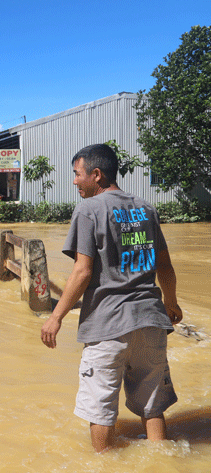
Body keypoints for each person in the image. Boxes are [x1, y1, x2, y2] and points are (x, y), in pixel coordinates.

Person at [40, 143, 182, 453]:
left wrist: (55, 317)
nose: (75, 181)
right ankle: (162, 465)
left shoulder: (89, 210)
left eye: (77, 174)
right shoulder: (146, 209)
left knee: (100, 409)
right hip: (151, 322)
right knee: (152, 406)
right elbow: (165, 268)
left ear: (96, 174)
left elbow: (82, 272)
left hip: (108, 327)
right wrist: (170, 304)